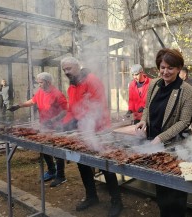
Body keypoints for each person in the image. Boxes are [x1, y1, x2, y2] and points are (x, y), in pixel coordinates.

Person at [135, 48, 192, 217]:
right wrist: (143, 120)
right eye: (162, 67)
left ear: (178, 68)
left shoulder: (188, 91)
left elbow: (184, 121)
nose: (165, 71)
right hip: (154, 145)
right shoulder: (154, 84)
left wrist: (161, 137)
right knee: (161, 189)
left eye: (170, 67)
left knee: (176, 192)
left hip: (176, 146)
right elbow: (147, 106)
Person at [59, 56, 123, 217]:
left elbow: (98, 108)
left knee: (105, 165)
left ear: (77, 66)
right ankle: (91, 196)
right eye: (64, 70)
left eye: (69, 68)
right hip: (83, 132)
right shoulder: (71, 87)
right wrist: (65, 123)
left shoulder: (92, 80)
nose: (66, 72)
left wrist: (80, 122)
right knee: (83, 164)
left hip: (100, 131)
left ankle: (116, 201)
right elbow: (71, 110)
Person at [7, 72, 68, 187]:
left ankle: (61, 176)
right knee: (43, 148)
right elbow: (33, 101)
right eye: (38, 82)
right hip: (44, 125)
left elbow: (65, 111)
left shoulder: (57, 94)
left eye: (41, 82)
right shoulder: (40, 92)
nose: (39, 85)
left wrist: (53, 120)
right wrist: (19, 105)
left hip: (56, 127)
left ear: (48, 82)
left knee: (57, 151)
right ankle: (51, 171)